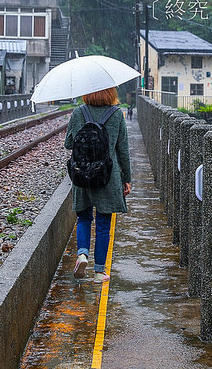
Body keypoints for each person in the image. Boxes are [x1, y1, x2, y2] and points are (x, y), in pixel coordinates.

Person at [64, 87, 132, 283]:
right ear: (111, 92)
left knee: (83, 218)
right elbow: (123, 150)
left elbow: (69, 144)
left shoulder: (78, 112)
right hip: (107, 176)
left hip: (82, 174)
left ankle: (82, 254)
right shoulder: (117, 114)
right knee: (103, 225)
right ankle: (99, 272)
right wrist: (127, 178)